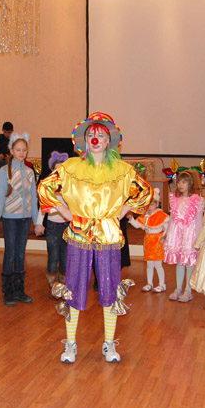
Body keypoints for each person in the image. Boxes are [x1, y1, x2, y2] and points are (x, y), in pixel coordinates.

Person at [38, 112, 152, 364]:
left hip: (109, 236)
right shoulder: (71, 167)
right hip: (79, 234)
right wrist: (64, 211)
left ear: (109, 140)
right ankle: (70, 344)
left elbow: (145, 191)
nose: (96, 138)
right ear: (85, 140)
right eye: (91, 134)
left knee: (110, 289)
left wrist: (123, 210)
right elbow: (45, 187)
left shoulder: (122, 170)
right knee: (74, 288)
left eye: (100, 134)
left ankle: (109, 343)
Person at [0, 132, 44, 306]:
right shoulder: (4, 171)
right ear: (11, 151)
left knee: (21, 254)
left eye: (24, 150)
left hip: (25, 219)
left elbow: (33, 199)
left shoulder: (29, 172)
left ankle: (19, 290)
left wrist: (37, 222)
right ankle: (8, 291)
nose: (22, 153)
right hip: (10, 218)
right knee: (10, 253)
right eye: (18, 150)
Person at [163, 170, 205, 303]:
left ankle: (188, 289)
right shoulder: (174, 199)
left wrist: (199, 239)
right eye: (179, 182)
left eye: (184, 182)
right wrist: (166, 234)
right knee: (180, 262)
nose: (181, 185)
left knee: (189, 262)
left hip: (190, 235)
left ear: (190, 183)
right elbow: (171, 218)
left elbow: (199, 221)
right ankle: (178, 288)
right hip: (177, 235)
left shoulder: (197, 200)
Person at [128, 188, 169, 293]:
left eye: (152, 205)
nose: (149, 208)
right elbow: (138, 225)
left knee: (158, 265)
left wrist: (164, 237)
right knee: (149, 264)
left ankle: (162, 284)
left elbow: (167, 228)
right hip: (148, 242)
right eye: (147, 205)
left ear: (157, 204)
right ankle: (149, 283)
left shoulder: (161, 216)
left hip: (158, 243)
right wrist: (131, 219)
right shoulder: (145, 216)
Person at [44, 151, 71, 290]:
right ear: (52, 170)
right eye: (56, 169)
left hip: (67, 225)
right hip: (52, 225)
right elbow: (43, 207)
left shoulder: (69, 186)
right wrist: (38, 223)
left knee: (65, 256)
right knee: (53, 255)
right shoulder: (47, 186)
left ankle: (63, 283)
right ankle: (53, 284)